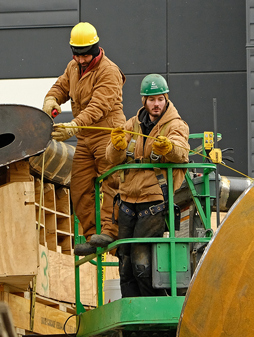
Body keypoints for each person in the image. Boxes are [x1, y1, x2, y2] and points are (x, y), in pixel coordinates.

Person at [42, 22, 126, 256]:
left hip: (108, 136)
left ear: (96, 49)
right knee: (79, 187)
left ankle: (110, 231)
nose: (81, 60)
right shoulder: (73, 67)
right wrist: (51, 100)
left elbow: (98, 107)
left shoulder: (109, 71)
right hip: (86, 138)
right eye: (76, 55)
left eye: (85, 55)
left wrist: (73, 126)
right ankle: (92, 236)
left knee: (112, 182)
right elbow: (61, 86)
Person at [105, 74, 189, 297]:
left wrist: (168, 148)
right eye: (152, 99)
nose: (156, 104)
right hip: (126, 203)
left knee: (142, 264)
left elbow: (182, 152)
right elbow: (111, 158)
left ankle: (151, 307)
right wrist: (116, 146)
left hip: (153, 203)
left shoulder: (176, 125)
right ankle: (131, 310)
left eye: (160, 99)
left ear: (166, 99)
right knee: (125, 264)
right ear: (144, 101)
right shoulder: (131, 124)